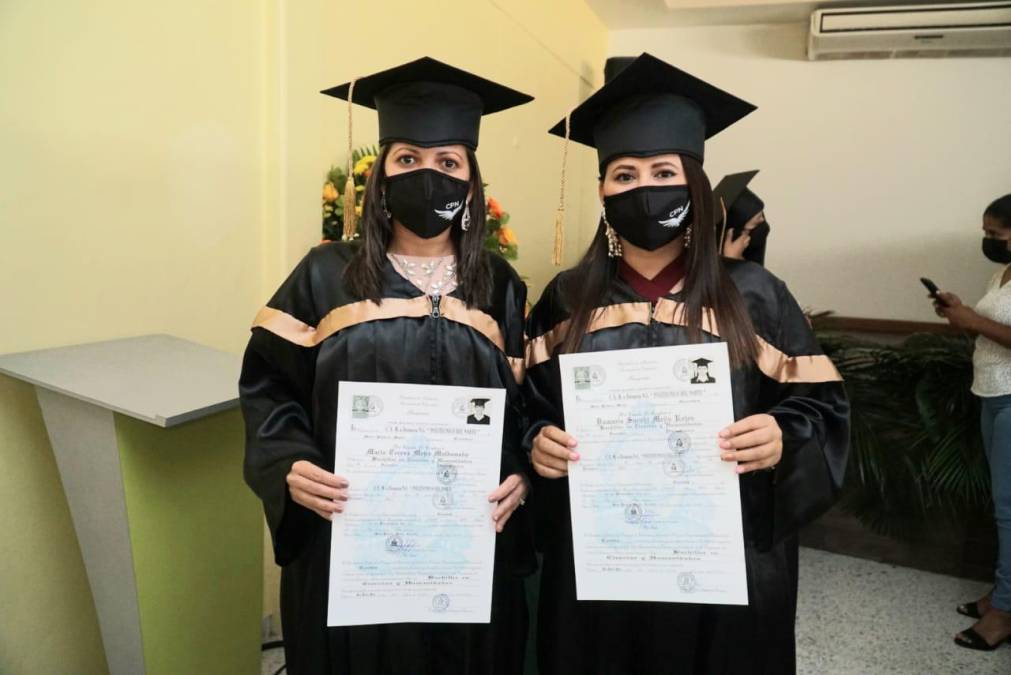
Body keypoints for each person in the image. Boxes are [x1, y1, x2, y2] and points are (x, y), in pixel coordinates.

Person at [524, 52, 850, 674]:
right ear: (601, 190)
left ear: (694, 184)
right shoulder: (566, 298)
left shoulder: (755, 292)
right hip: (602, 557)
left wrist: (784, 434)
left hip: (727, 561)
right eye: (623, 175)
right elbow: (529, 406)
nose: (643, 188)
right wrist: (537, 440)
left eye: (663, 171)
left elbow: (821, 404)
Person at [239, 57, 535, 674]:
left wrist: (520, 476)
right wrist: (289, 462)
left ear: (472, 182)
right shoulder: (323, 276)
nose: (428, 177)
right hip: (349, 547)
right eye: (407, 160)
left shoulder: (500, 287)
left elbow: (522, 409)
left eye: (448, 163)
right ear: (379, 176)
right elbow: (269, 387)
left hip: (466, 549)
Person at [935, 193, 1011, 651]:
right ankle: (1003, 595)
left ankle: (1003, 612)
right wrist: (961, 313)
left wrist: (973, 322)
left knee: (1010, 509)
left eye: (995, 235)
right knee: (1003, 506)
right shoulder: (1001, 273)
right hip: (990, 392)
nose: (988, 242)